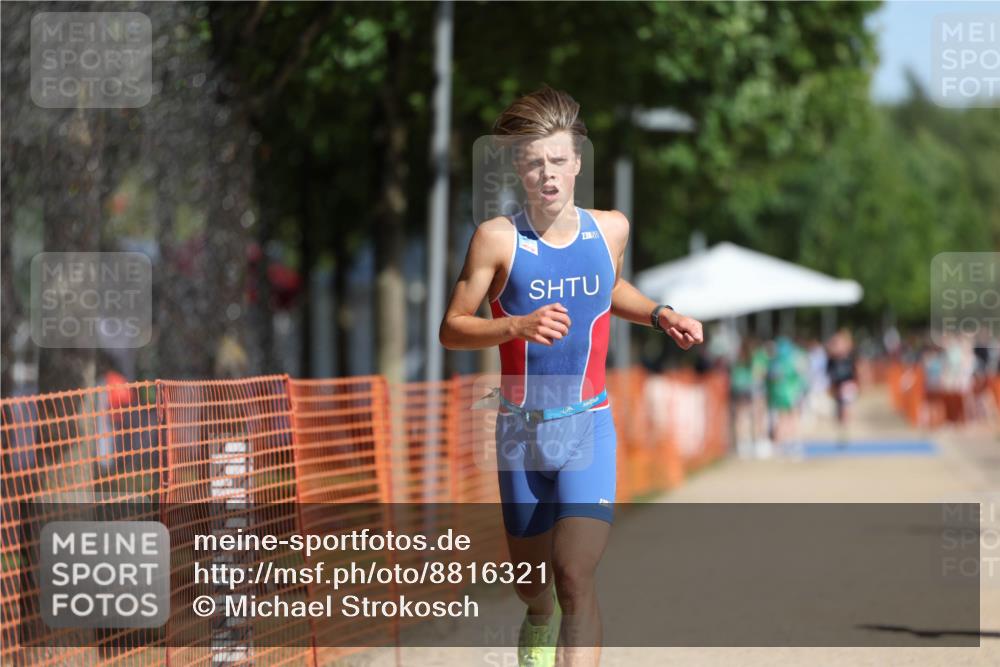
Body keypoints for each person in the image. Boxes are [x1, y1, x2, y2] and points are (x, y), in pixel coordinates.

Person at [439, 86, 703, 667]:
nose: (548, 174)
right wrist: (514, 328)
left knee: (573, 576)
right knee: (534, 589)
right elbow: (453, 328)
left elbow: (607, 290)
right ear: (519, 168)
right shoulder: (496, 239)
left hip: (588, 426)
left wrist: (661, 314)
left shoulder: (610, 230)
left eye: (558, 160)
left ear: (577, 162)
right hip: (519, 433)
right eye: (535, 163)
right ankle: (537, 623)